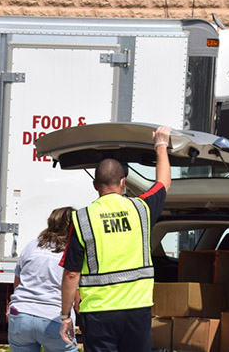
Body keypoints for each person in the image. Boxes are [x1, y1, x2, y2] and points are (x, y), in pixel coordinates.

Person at [59, 126, 172, 352]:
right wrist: (161, 144)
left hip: (98, 312)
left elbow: (71, 274)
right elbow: (163, 184)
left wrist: (65, 316)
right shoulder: (141, 208)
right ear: (123, 182)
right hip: (137, 308)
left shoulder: (81, 218)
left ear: (95, 185)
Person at [8, 206, 78, 352]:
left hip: (21, 315)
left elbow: (17, 284)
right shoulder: (72, 251)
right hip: (53, 317)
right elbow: (74, 290)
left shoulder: (32, 245)